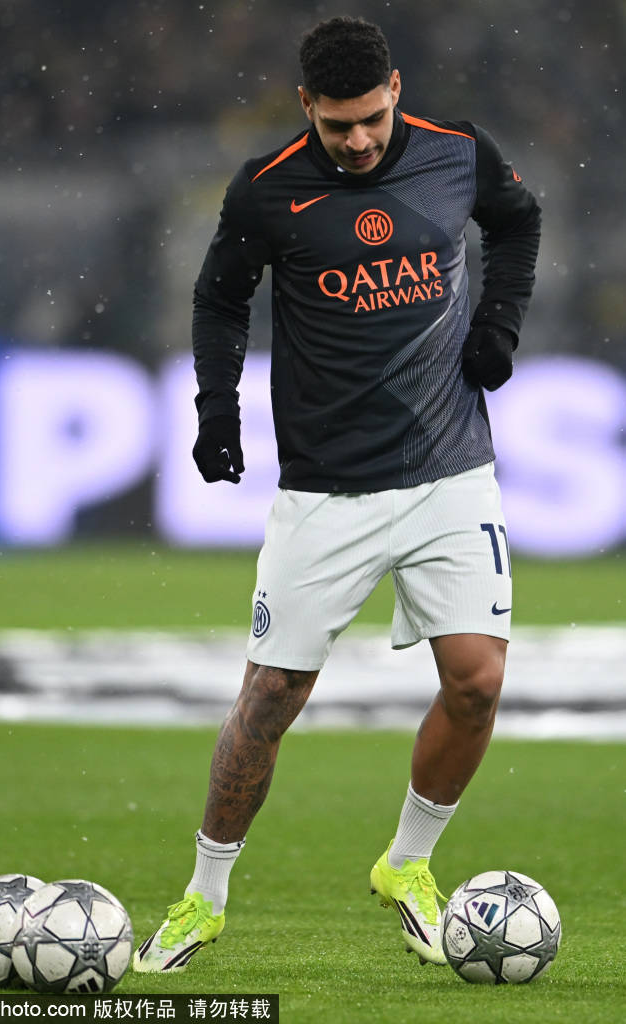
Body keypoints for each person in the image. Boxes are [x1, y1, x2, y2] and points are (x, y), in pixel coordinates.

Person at [134, 15, 541, 974]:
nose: (356, 140)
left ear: (394, 90)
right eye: (336, 124)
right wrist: (216, 407)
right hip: (327, 490)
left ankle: (408, 864)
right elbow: (218, 296)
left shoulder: (457, 153)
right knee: (271, 696)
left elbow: (517, 220)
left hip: (450, 468)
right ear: (305, 106)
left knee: (477, 683)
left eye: (369, 119)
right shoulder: (268, 188)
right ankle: (204, 898)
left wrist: (498, 323)